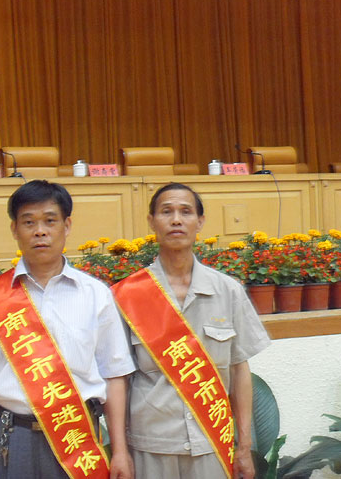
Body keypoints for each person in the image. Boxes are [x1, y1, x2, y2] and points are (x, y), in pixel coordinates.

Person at [0, 180, 135, 479]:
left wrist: (121, 452)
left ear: (66, 225)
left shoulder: (95, 294)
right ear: (15, 229)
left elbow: (114, 375)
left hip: (78, 438)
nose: (40, 231)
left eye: (50, 221)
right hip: (11, 437)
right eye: (29, 222)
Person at [112, 183, 271, 479]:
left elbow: (239, 369)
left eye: (185, 212)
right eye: (166, 212)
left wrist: (244, 446)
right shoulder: (126, 296)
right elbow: (117, 378)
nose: (176, 220)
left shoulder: (228, 291)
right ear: (151, 221)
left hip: (211, 442)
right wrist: (119, 450)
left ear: (200, 222)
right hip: (151, 444)